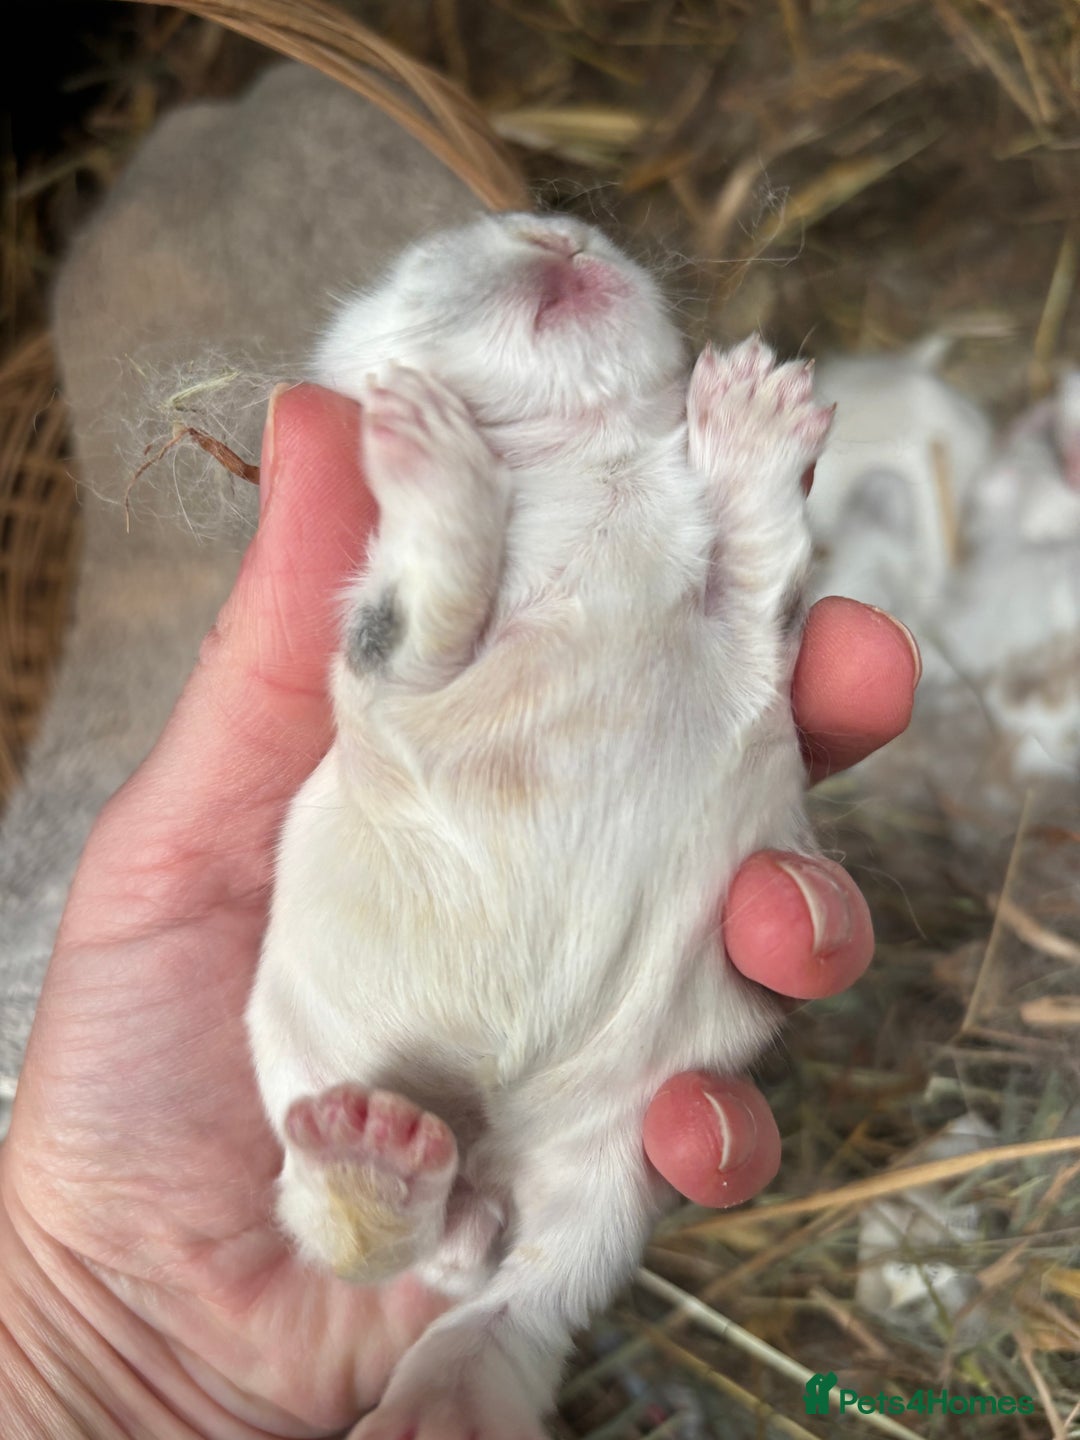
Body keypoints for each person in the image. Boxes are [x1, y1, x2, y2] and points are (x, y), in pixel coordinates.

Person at [0, 384, 919, 1438]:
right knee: (561, 1179)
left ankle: (442, 1287)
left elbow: (741, 647)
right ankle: (423, 1281)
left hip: (478, 1039)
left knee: (569, 1170)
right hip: (496, 1056)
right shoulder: (517, 558)